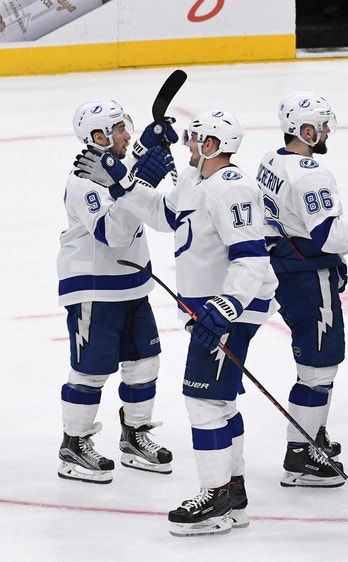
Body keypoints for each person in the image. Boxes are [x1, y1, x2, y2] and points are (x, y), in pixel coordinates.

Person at [76, 110, 282, 536]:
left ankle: (216, 498)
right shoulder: (200, 181)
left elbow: (252, 258)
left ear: (210, 146)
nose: (186, 145)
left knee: (203, 401)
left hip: (228, 313)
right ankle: (233, 495)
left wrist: (226, 308)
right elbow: (164, 216)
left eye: (193, 139)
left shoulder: (232, 188)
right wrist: (122, 183)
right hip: (214, 310)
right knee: (219, 402)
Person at [255, 91, 348, 487]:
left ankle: (311, 435)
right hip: (306, 277)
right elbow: (329, 234)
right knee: (319, 369)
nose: (329, 130)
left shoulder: (272, 160)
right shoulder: (311, 173)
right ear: (306, 129)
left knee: (315, 366)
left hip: (288, 268)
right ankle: (300, 456)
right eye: (323, 124)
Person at [57, 100, 176, 483]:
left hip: (132, 285)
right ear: (98, 137)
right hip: (94, 288)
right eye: (120, 129)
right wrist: (139, 180)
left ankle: (135, 436)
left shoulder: (116, 168)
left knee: (145, 363)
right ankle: (73, 446)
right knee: (90, 372)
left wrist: (152, 151)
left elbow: (150, 201)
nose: (127, 134)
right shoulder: (83, 180)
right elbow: (111, 234)